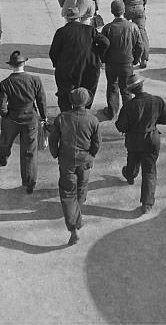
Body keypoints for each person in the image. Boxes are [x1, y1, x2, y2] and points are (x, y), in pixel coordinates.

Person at [48, 87, 100, 246]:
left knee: (67, 192)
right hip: (85, 160)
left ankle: (73, 227)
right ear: (87, 102)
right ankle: (77, 210)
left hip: (67, 160)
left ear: (71, 102)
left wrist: (56, 153)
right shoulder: (93, 120)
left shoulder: (62, 118)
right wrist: (91, 155)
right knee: (82, 188)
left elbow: (53, 139)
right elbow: (96, 143)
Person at [115, 75, 166, 214]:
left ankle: (130, 175)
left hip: (134, 140)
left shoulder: (129, 106)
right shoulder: (157, 101)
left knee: (133, 160)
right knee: (149, 171)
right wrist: (152, 122)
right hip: (152, 139)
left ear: (131, 90)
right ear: (142, 85)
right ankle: (147, 204)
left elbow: (120, 126)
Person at [0, 51, 47, 194]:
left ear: (11, 66)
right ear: (24, 64)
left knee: (5, 141)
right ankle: (29, 182)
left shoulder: (6, 83)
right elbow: (41, 101)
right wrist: (44, 117)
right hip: (30, 119)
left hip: (12, 118)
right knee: (29, 151)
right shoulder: (35, 80)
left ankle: (2, 157)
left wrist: (5, 115)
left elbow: (1, 104)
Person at [50, 6, 108, 111]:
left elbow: (53, 52)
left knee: (65, 94)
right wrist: (97, 55)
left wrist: (57, 64)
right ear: (79, 18)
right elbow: (106, 42)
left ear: (66, 18)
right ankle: (84, 112)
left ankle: (66, 114)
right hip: (89, 68)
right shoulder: (90, 30)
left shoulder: (61, 32)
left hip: (67, 70)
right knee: (86, 93)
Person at [101, 0, 143, 120]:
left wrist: (103, 60)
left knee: (112, 87)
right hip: (127, 63)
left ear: (112, 12)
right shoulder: (133, 27)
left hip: (111, 64)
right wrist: (136, 59)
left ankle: (112, 112)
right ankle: (128, 114)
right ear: (124, 11)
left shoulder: (107, 28)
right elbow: (140, 45)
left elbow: (103, 47)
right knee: (126, 89)